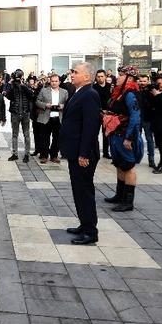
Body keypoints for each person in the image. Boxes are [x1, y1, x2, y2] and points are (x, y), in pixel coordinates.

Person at [60, 62, 102, 245]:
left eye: (76, 72)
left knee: (84, 191)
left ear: (87, 76)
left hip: (83, 154)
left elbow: (91, 127)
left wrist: (84, 154)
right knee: (79, 190)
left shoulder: (90, 95)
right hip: (74, 151)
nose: (72, 75)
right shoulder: (79, 93)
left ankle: (91, 231)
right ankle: (84, 224)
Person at [102, 66, 144, 212]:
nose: (117, 77)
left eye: (121, 75)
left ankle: (128, 202)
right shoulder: (120, 92)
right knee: (119, 164)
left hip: (124, 134)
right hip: (116, 134)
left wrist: (130, 138)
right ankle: (119, 195)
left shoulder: (130, 93)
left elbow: (135, 116)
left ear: (129, 78)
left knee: (129, 166)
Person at [35, 74, 68, 163]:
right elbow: (37, 101)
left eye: (56, 81)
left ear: (59, 82)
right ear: (50, 81)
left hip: (58, 117)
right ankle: (44, 155)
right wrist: (45, 105)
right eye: (52, 81)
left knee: (57, 138)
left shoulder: (64, 92)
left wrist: (63, 106)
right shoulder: (44, 90)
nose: (54, 83)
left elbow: (68, 104)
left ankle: (54, 155)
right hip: (46, 117)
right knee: (44, 138)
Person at [5, 69, 35, 162]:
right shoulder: (12, 86)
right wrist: (10, 83)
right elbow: (7, 95)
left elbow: (32, 96)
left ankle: (27, 154)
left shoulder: (26, 85)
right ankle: (15, 154)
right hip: (15, 113)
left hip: (25, 113)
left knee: (26, 134)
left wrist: (23, 85)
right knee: (14, 134)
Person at [136, 74, 156, 168]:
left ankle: (151, 159)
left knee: (149, 140)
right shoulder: (136, 90)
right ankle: (136, 156)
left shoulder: (152, 90)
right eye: (141, 81)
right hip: (137, 118)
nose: (143, 83)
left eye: (144, 81)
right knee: (136, 138)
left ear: (148, 81)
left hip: (148, 118)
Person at [92, 69, 113, 159]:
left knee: (106, 134)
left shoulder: (110, 87)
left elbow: (112, 100)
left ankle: (105, 152)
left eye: (102, 76)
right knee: (94, 133)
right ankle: (94, 151)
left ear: (105, 77)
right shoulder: (93, 87)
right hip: (97, 113)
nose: (100, 78)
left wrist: (108, 110)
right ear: (96, 77)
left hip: (107, 114)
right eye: (98, 76)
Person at [28, 76, 43, 157]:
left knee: (42, 134)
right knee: (36, 133)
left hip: (41, 115)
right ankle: (37, 149)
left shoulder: (41, 89)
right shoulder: (31, 90)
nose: (33, 83)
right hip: (34, 115)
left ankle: (42, 151)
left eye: (34, 81)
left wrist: (36, 89)